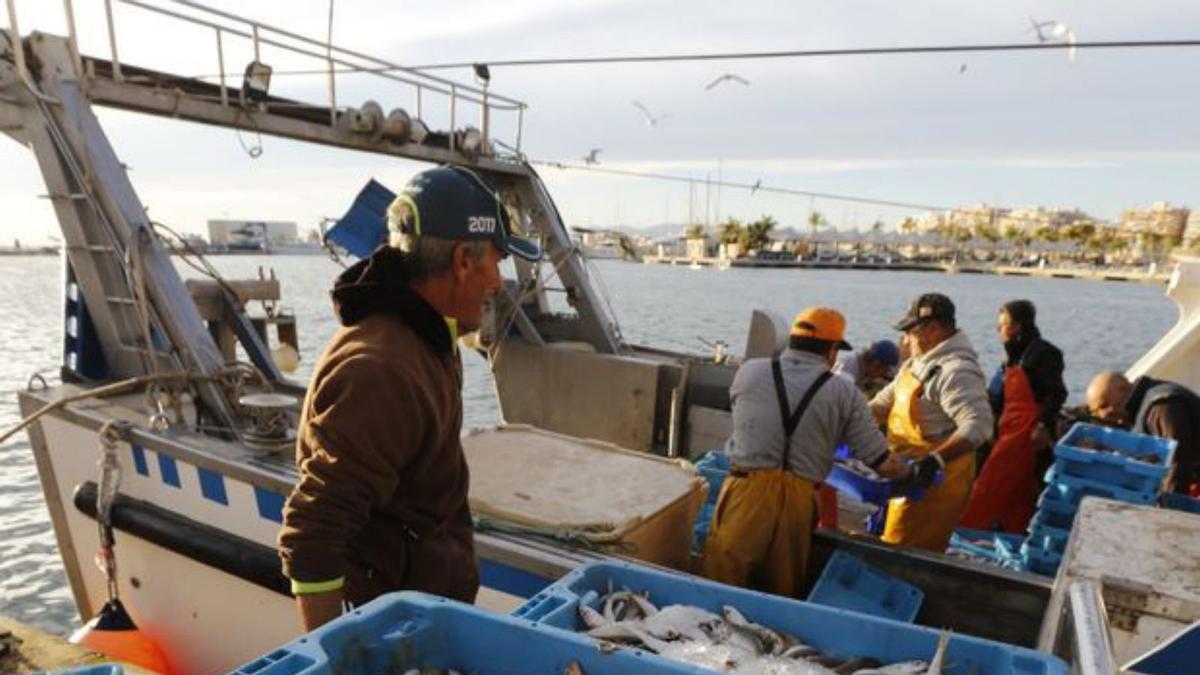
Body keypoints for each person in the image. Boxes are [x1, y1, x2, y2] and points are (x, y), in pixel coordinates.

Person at [277, 165, 541, 630]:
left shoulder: (431, 334)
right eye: (496, 261)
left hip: (422, 615)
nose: (498, 282)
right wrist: (339, 657)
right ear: (463, 260)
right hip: (390, 632)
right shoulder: (381, 371)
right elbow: (313, 534)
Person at [703, 307, 913, 597]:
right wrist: (913, 470)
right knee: (782, 590)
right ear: (831, 350)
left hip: (745, 489)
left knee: (720, 581)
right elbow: (881, 463)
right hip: (799, 498)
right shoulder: (844, 393)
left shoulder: (748, 372)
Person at [870, 293, 994, 551]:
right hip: (903, 473)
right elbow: (881, 405)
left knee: (907, 554)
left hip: (933, 487)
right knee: (890, 543)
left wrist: (932, 463)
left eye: (910, 331)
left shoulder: (956, 371)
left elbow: (979, 426)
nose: (905, 340)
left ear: (934, 329)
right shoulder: (916, 365)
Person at [960, 300, 1066, 533]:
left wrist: (1042, 424)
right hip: (1006, 428)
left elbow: (1056, 393)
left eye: (1003, 326)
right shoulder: (1010, 359)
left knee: (992, 484)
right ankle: (1009, 529)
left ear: (1018, 326)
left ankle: (969, 530)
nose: (999, 331)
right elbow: (995, 398)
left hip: (1025, 432)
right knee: (1013, 489)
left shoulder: (1044, 354)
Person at [1085, 371, 1200, 495]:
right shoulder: (1139, 404)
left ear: (1124, 389)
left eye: (1104, 405)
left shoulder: (1161, 408)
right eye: (1096, 411)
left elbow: (1178, 462)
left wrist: (1169, 506)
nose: (1103, 414)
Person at [834, 339, 901, 398]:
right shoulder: (848, 368)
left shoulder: (865, 370)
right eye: (886, 371)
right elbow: (840, 397)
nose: (885, 374)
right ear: (876, 365)